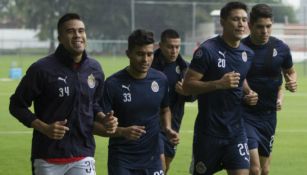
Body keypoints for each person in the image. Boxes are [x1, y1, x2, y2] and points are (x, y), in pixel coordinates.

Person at [9, 13, 117, 175]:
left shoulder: (95, 69)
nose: (77, 35)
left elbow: (93, 104)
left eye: (81, 31)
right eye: (70, 31)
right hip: (47, 157)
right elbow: (17, 105)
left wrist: (104, 118)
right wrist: (44, 128)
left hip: (83, 153)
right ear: (59, 38)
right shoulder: (41, 69)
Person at [182, 2, 254, 175]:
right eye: (235, 19)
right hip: (209, 133)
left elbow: (240, 78)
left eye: (244, 20)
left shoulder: (247, 54)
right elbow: (187, 86)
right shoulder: (207, 50)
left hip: (236, 131)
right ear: (222, 22)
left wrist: (249, 93)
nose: (241, 24)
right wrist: (218, 84)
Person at [100, 29, 179, 175]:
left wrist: (167, 128)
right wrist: (122, 131)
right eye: (140, 54)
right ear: (128, 53)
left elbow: (165, 109)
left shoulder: (160, 80)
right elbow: (95, 126)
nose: (146, 60)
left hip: (152, 158)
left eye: (149, 54)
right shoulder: (112, 84)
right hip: (122, 160)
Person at [241, 4, 297, 175]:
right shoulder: (240, 49)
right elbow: (236, 77)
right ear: (250, 26)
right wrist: (247, 93)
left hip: (269, 116)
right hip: (245, 115)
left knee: (265, 171)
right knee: (254, 169)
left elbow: (290, 72)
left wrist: (292, 83)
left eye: (268, 26)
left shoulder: (281, 48)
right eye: (260, 27)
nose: (265, 31)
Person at [151, 28, 195, 174]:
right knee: (159, 166)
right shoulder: (149, 64)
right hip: (150, 124)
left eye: (177, 47)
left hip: (173, 125)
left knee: (165, 167)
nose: (174, 51)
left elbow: (194, 94)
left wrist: (187, 92)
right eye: (170, 47)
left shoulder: (185, 67)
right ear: (160, 45)